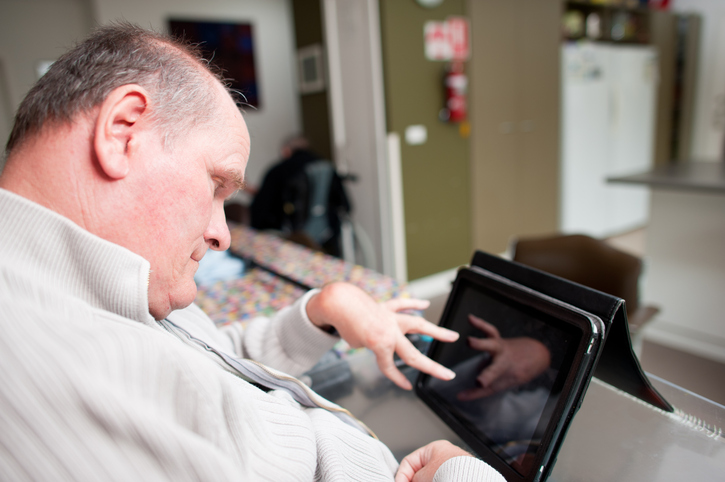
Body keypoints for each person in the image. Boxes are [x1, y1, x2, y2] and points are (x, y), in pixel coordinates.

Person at [0, 24, 504, 482]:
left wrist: (315, 315)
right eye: (217, 184)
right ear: (122, 131)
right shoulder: (40, 365)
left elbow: (210, 364)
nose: (223, 234)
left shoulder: (105, 285)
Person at [250, 136, 350, 255]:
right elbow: (346, 205)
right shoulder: (328, 167)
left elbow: (260, 210)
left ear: (286, 151)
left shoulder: (278, 171)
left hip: (291, 241)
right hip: (328, 238)